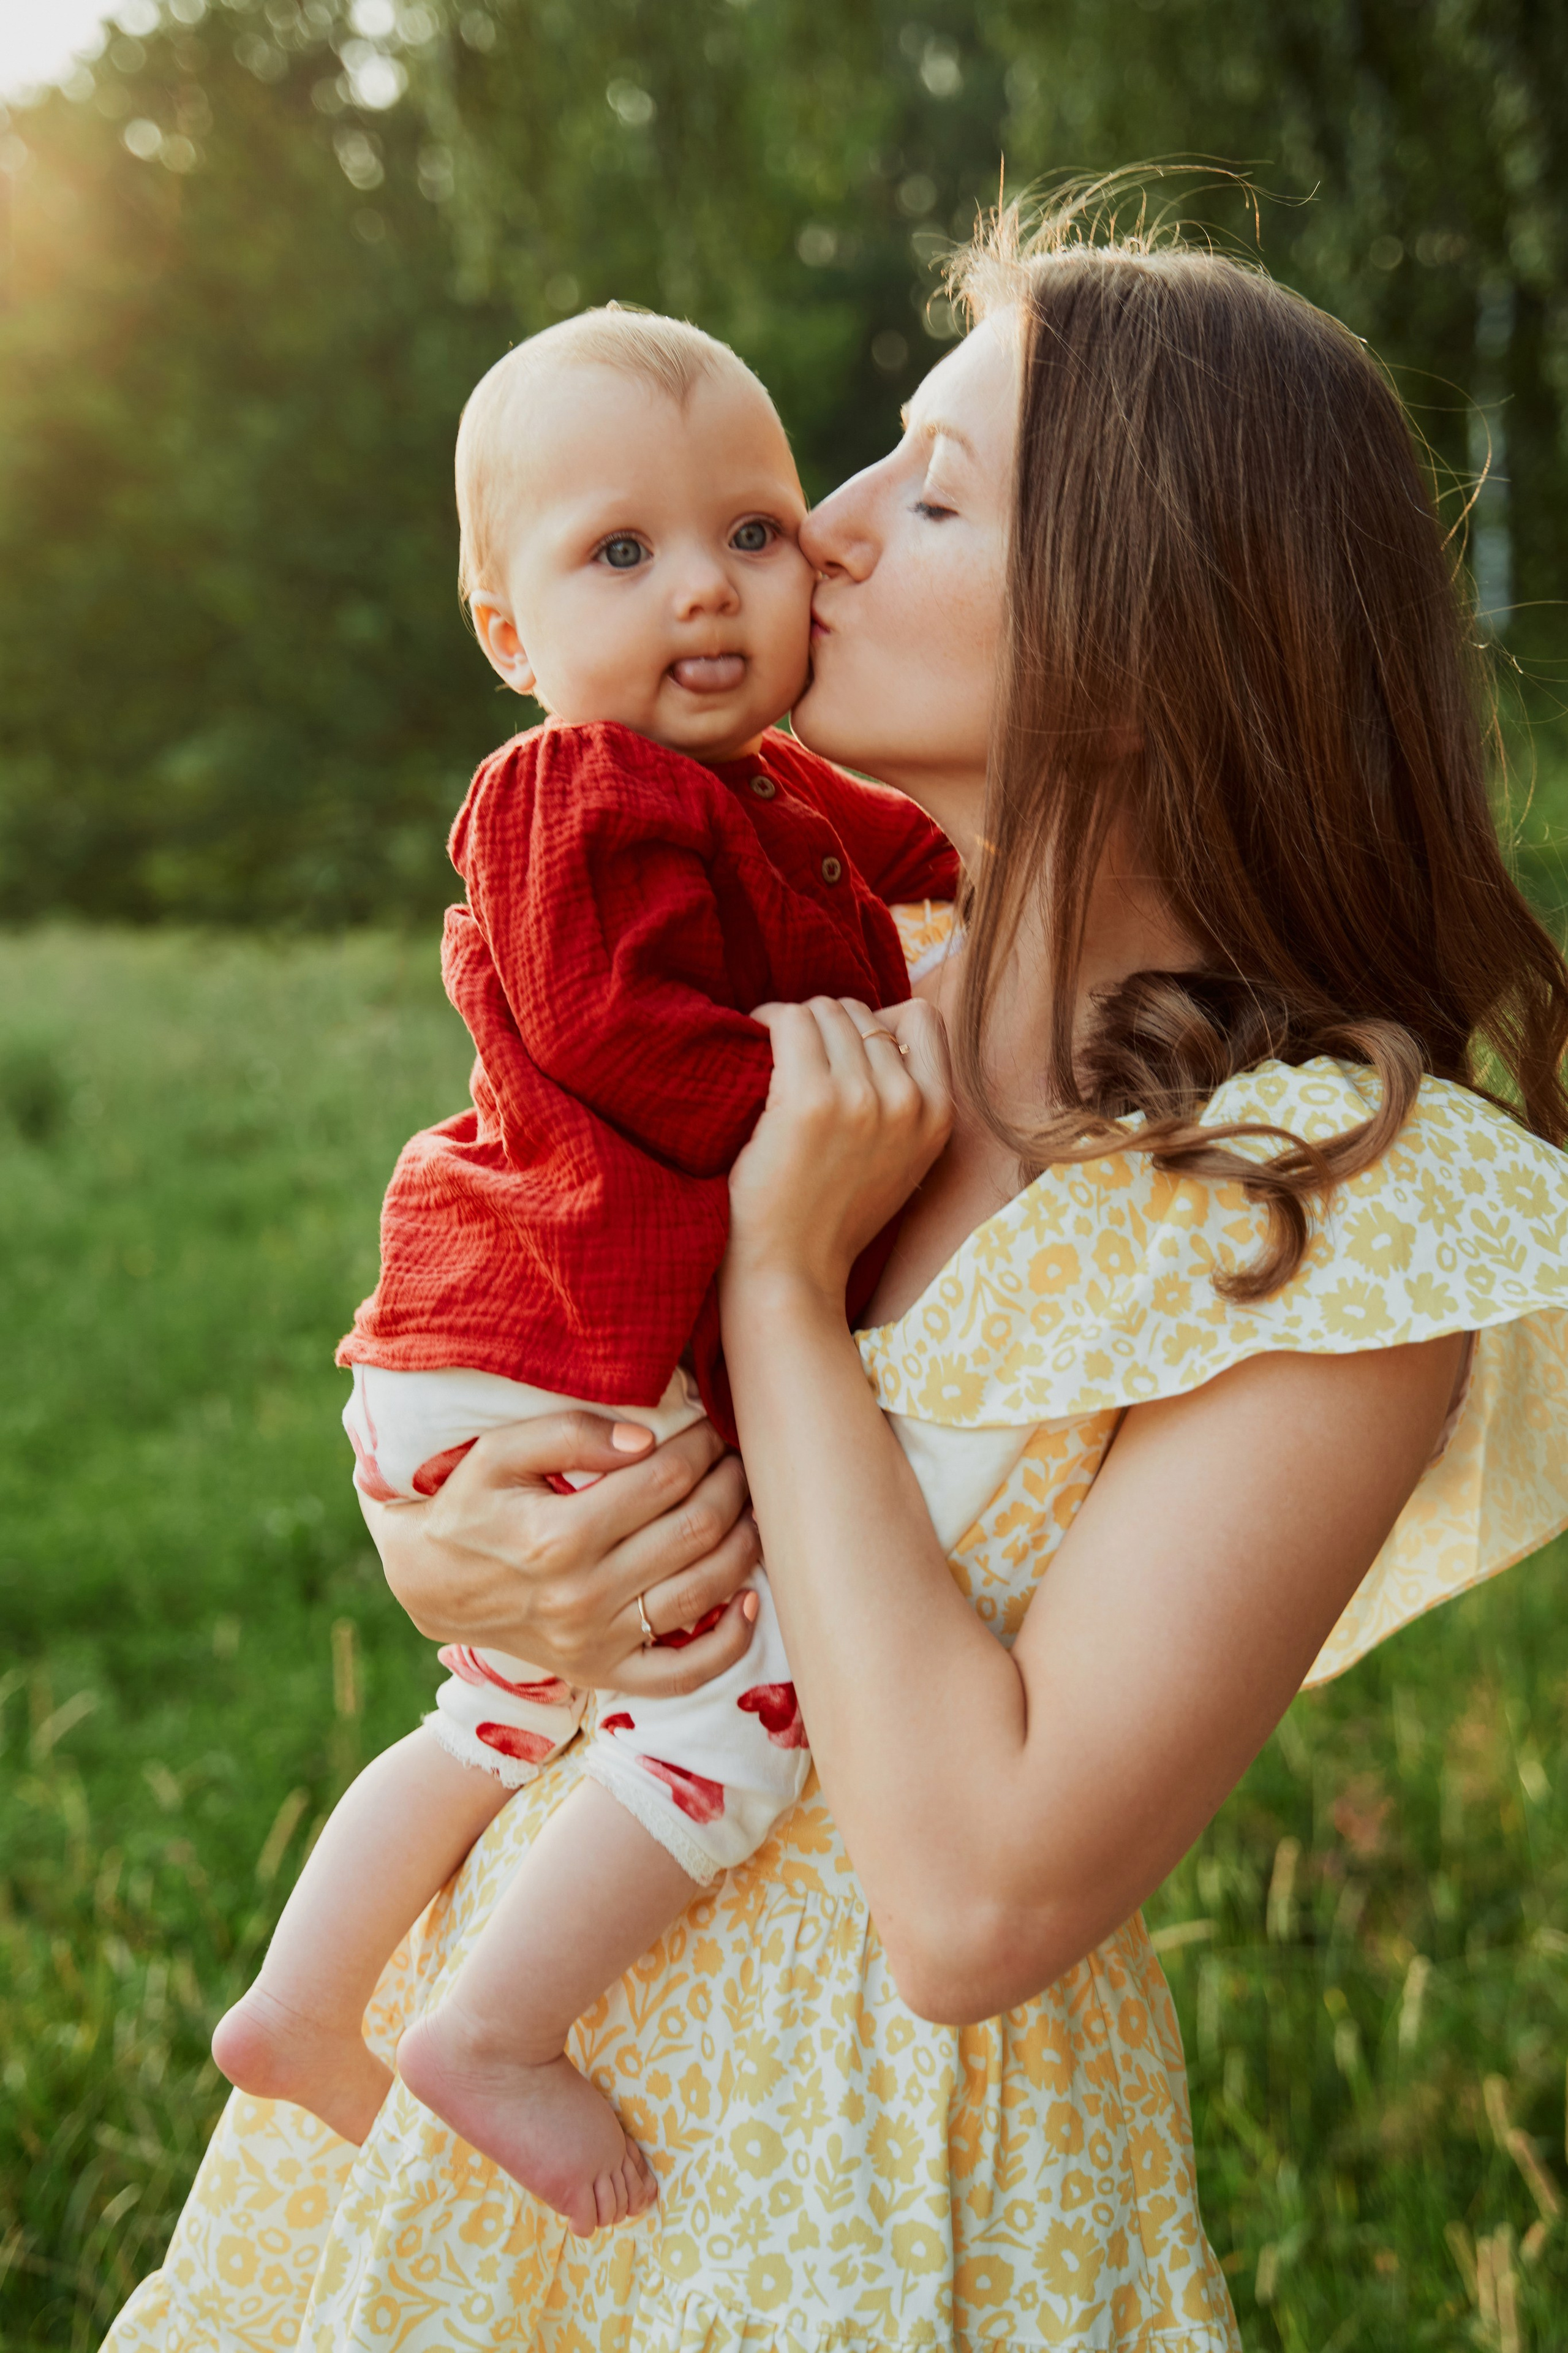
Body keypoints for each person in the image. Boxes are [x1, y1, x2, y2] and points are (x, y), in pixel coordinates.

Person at [104, 198, 1568, 2353]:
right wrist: (471, 1551)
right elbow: (504, 1324)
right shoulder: (817, 996)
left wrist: (788, 1292)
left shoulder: (1333, 1212)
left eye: (935, 489)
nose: (827, 534)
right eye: (864, 465)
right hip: (499, 2106)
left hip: (878, 2175)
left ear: (1155, 622)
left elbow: (978, 1893)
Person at [208, 304, 957, 2237]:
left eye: (755, 533)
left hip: (502, 1355)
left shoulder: (768, 791)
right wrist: (840, 1088)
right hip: (549, 1336)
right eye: (621, 553)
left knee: (501, 1709)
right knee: (729, 1706)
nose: (705, 590)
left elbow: (928, 860)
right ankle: (494, 2029)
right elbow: (622, 1032)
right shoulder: (575, 792)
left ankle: (301, 2000)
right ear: (508, 631)